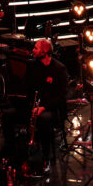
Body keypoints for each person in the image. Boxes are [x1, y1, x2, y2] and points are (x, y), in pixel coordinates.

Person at [25, 39, 69, 171]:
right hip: (36, 105)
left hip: (52, 108)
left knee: (44, 119)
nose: (33, 50)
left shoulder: (59, 69)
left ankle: (45, 156)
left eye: (36, 48)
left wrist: (43, 107)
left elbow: (61, 96)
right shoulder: (32, 65)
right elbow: (28, 88)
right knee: (10, 114)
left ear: (44, 52)